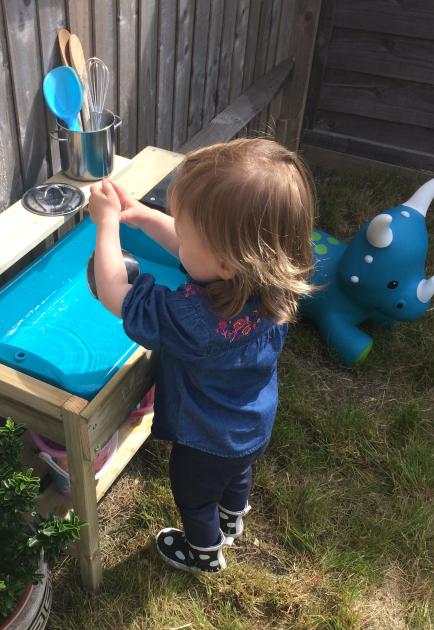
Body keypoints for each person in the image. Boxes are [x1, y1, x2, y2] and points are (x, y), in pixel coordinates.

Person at [88, 138, 315, 574]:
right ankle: (233, 515)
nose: (178, 233)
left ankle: (203, 551)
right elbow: (196, 253)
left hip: (205, 439)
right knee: (236, 472)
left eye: (185, 229)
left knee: (193, 493)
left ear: (228, 262)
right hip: (252, 421)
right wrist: (140, 214)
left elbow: (114, 292)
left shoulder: (194, 321)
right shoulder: (273, 282)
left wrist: (106, 225)